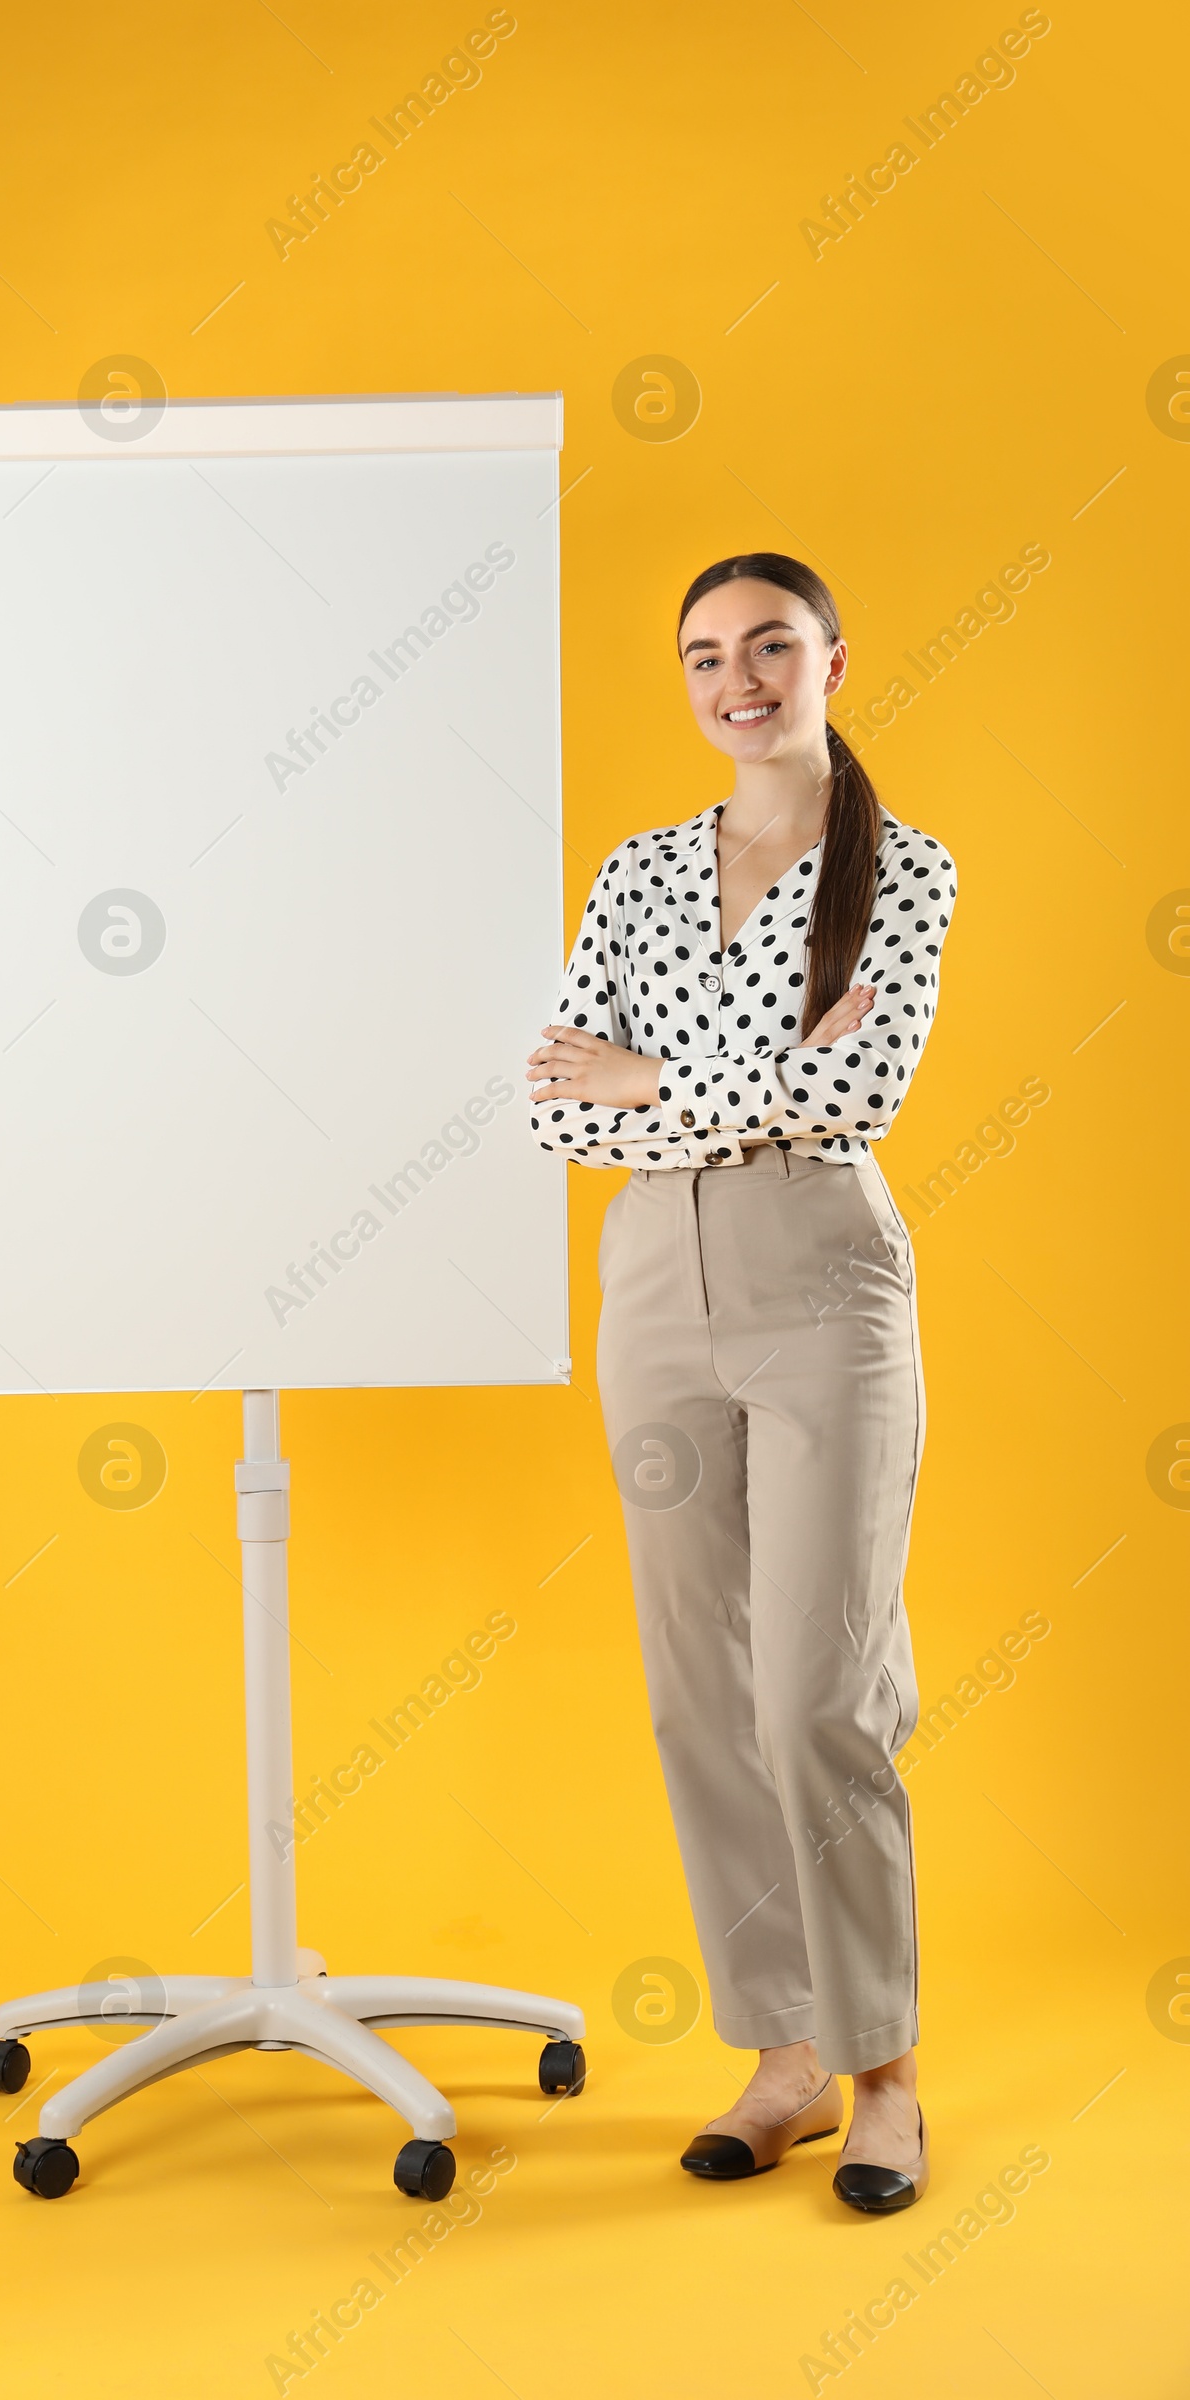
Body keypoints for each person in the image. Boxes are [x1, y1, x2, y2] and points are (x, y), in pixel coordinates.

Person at [527, 552, 956, 2214]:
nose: (738, 679)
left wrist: (656, 1074)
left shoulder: (900, 869)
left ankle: (885, 2071)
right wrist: (725, 1080)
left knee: (816, 1693)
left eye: (770, 645)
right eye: (705, 654)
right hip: (653, 1291)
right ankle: (777, 2053)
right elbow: (563, 1111)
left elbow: (859, 1095)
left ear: (832, 658)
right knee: (697, 1694)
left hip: (823, 1286)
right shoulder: (638, 873)